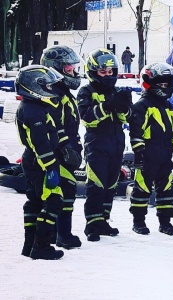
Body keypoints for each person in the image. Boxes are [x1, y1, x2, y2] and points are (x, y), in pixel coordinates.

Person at [77, 48, 133, 242]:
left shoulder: (117, 91)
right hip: (96, 145)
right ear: (93, 72)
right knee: (96, 184)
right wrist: (107, 105)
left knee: (111, 185)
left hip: (117, 144)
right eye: (103, 72)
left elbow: (126, 118)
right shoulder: (86, 91)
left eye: (110, 72)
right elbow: (86, 118)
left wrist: (125, 106)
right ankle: (92, 224)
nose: (108, 76)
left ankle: (103, 220)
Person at [15, 65, 65, 260]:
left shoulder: (33, 106)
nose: (52, 89)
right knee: (54, 200)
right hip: (40, 162)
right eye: (48, 86)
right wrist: (51, 167)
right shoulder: (33, 111)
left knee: (34, 202)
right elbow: (40, 142)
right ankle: (41, 245)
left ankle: (29, 245)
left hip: (33, 160)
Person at [129, 62, 173, 236]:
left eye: (166, 84)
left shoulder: (169, 107)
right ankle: (138, 221)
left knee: (166, 189)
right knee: (142, 189)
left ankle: (165, 222)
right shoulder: (142, 106)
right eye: (160, 84)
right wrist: (138, 152)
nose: (164, 87)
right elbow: (136, 132)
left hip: (165, 155)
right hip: (147, 155)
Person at [40, 45, 83, 249]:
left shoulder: (64, 91)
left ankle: (58, 233)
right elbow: (55, 124)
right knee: (63, 192)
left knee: (67, 191)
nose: (73, 72)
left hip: (69, 148)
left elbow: (71, 124)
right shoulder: (53, 93)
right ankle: (62, 234)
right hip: (58, 152)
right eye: (68, 69)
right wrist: (66, 146)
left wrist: (76, 145)